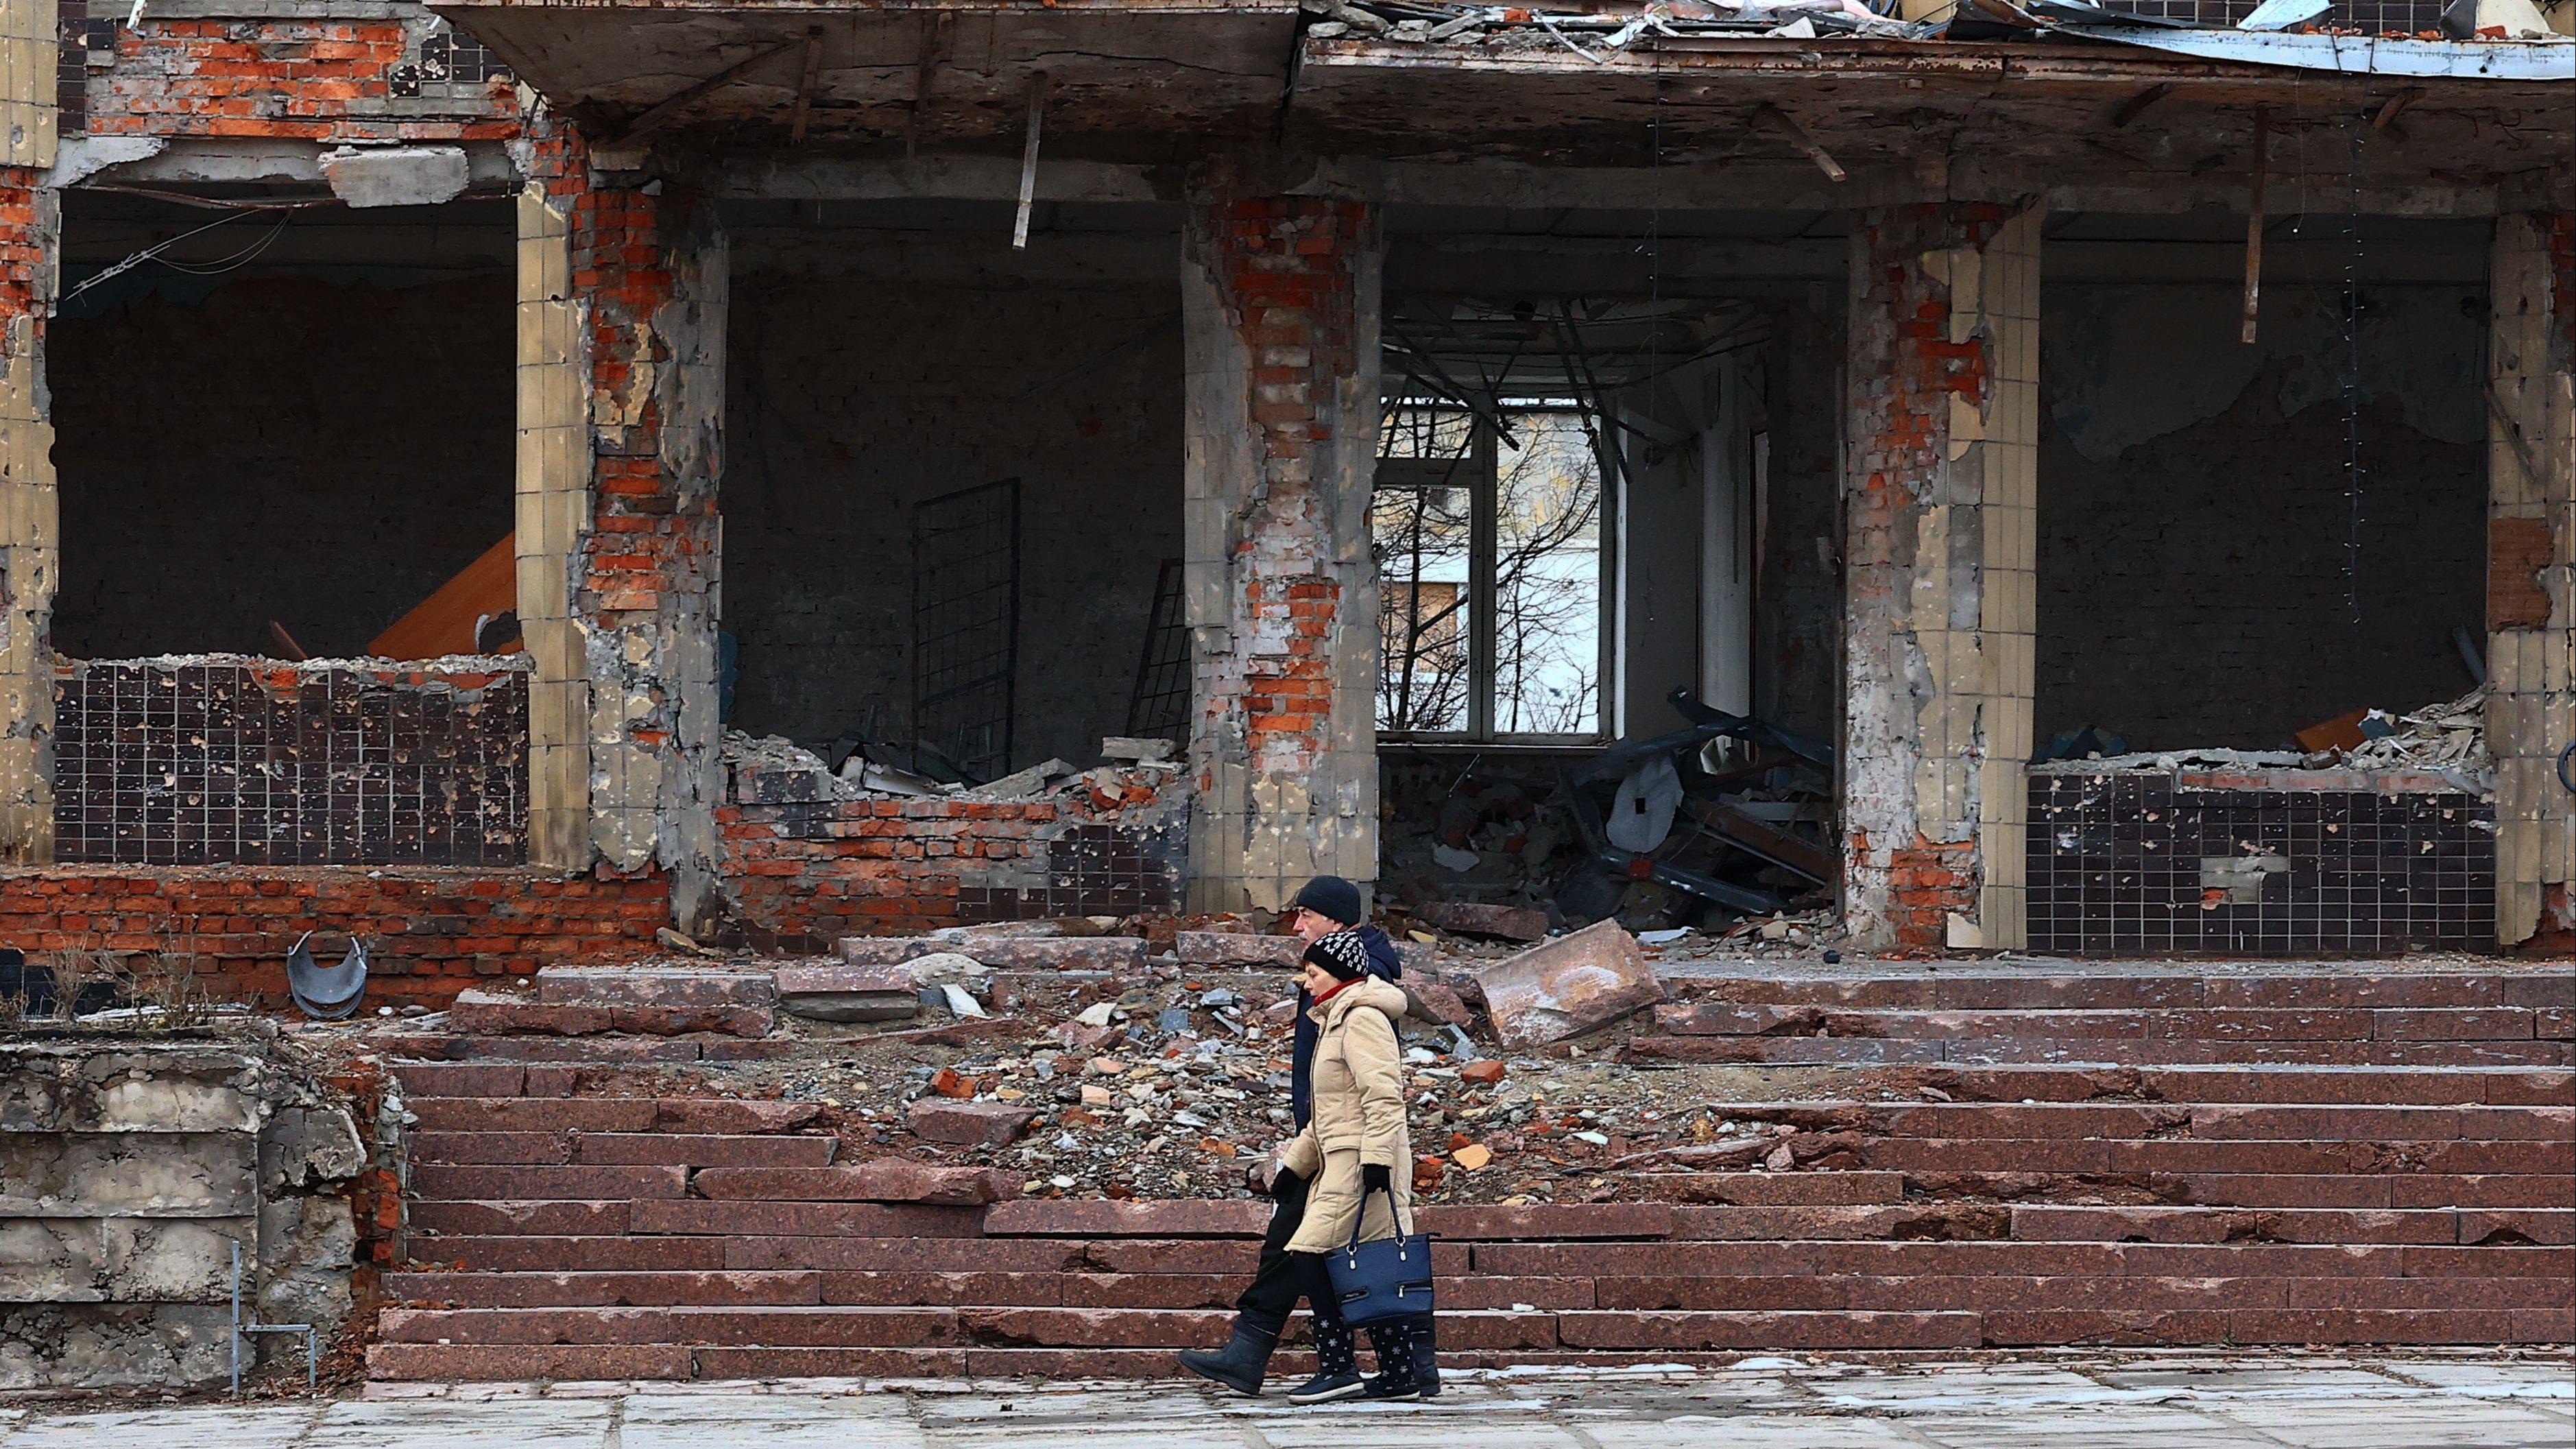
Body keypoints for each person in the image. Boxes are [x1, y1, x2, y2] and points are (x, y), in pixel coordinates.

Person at [1176, 875, 1436, 1402]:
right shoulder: (1335, 998)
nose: (1304, 975)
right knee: (1334, 1250)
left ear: (1336, 927)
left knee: (1314, 1249)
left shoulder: (1358, 1001)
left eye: (1306, 917)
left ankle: (1348, 1366)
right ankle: (1405, 1370)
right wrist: (1297, 1159)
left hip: (1357, 1153)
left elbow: (1381, 1096)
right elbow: (1333, 1097)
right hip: (1332, 1145)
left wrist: (1375, 1161)